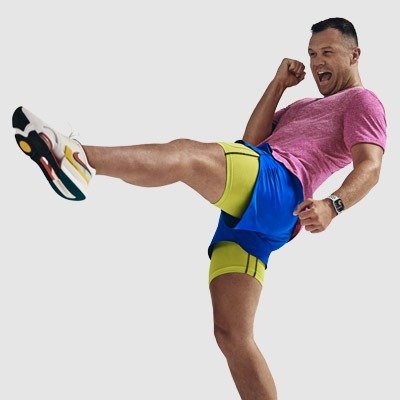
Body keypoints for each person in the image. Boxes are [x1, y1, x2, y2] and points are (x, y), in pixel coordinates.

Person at [13, 17, 386, 400]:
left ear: (354, 55)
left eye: (327, 52)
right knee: (232, 335)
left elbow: (371, 167)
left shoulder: (363, 101)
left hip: (277, 183)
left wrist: (333, 205)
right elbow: (250, 142)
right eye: (312, 53)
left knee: (187, 155)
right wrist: (277, 85)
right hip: (262, 213)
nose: (317, 62)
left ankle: (77, 157)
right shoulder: (303, 105)